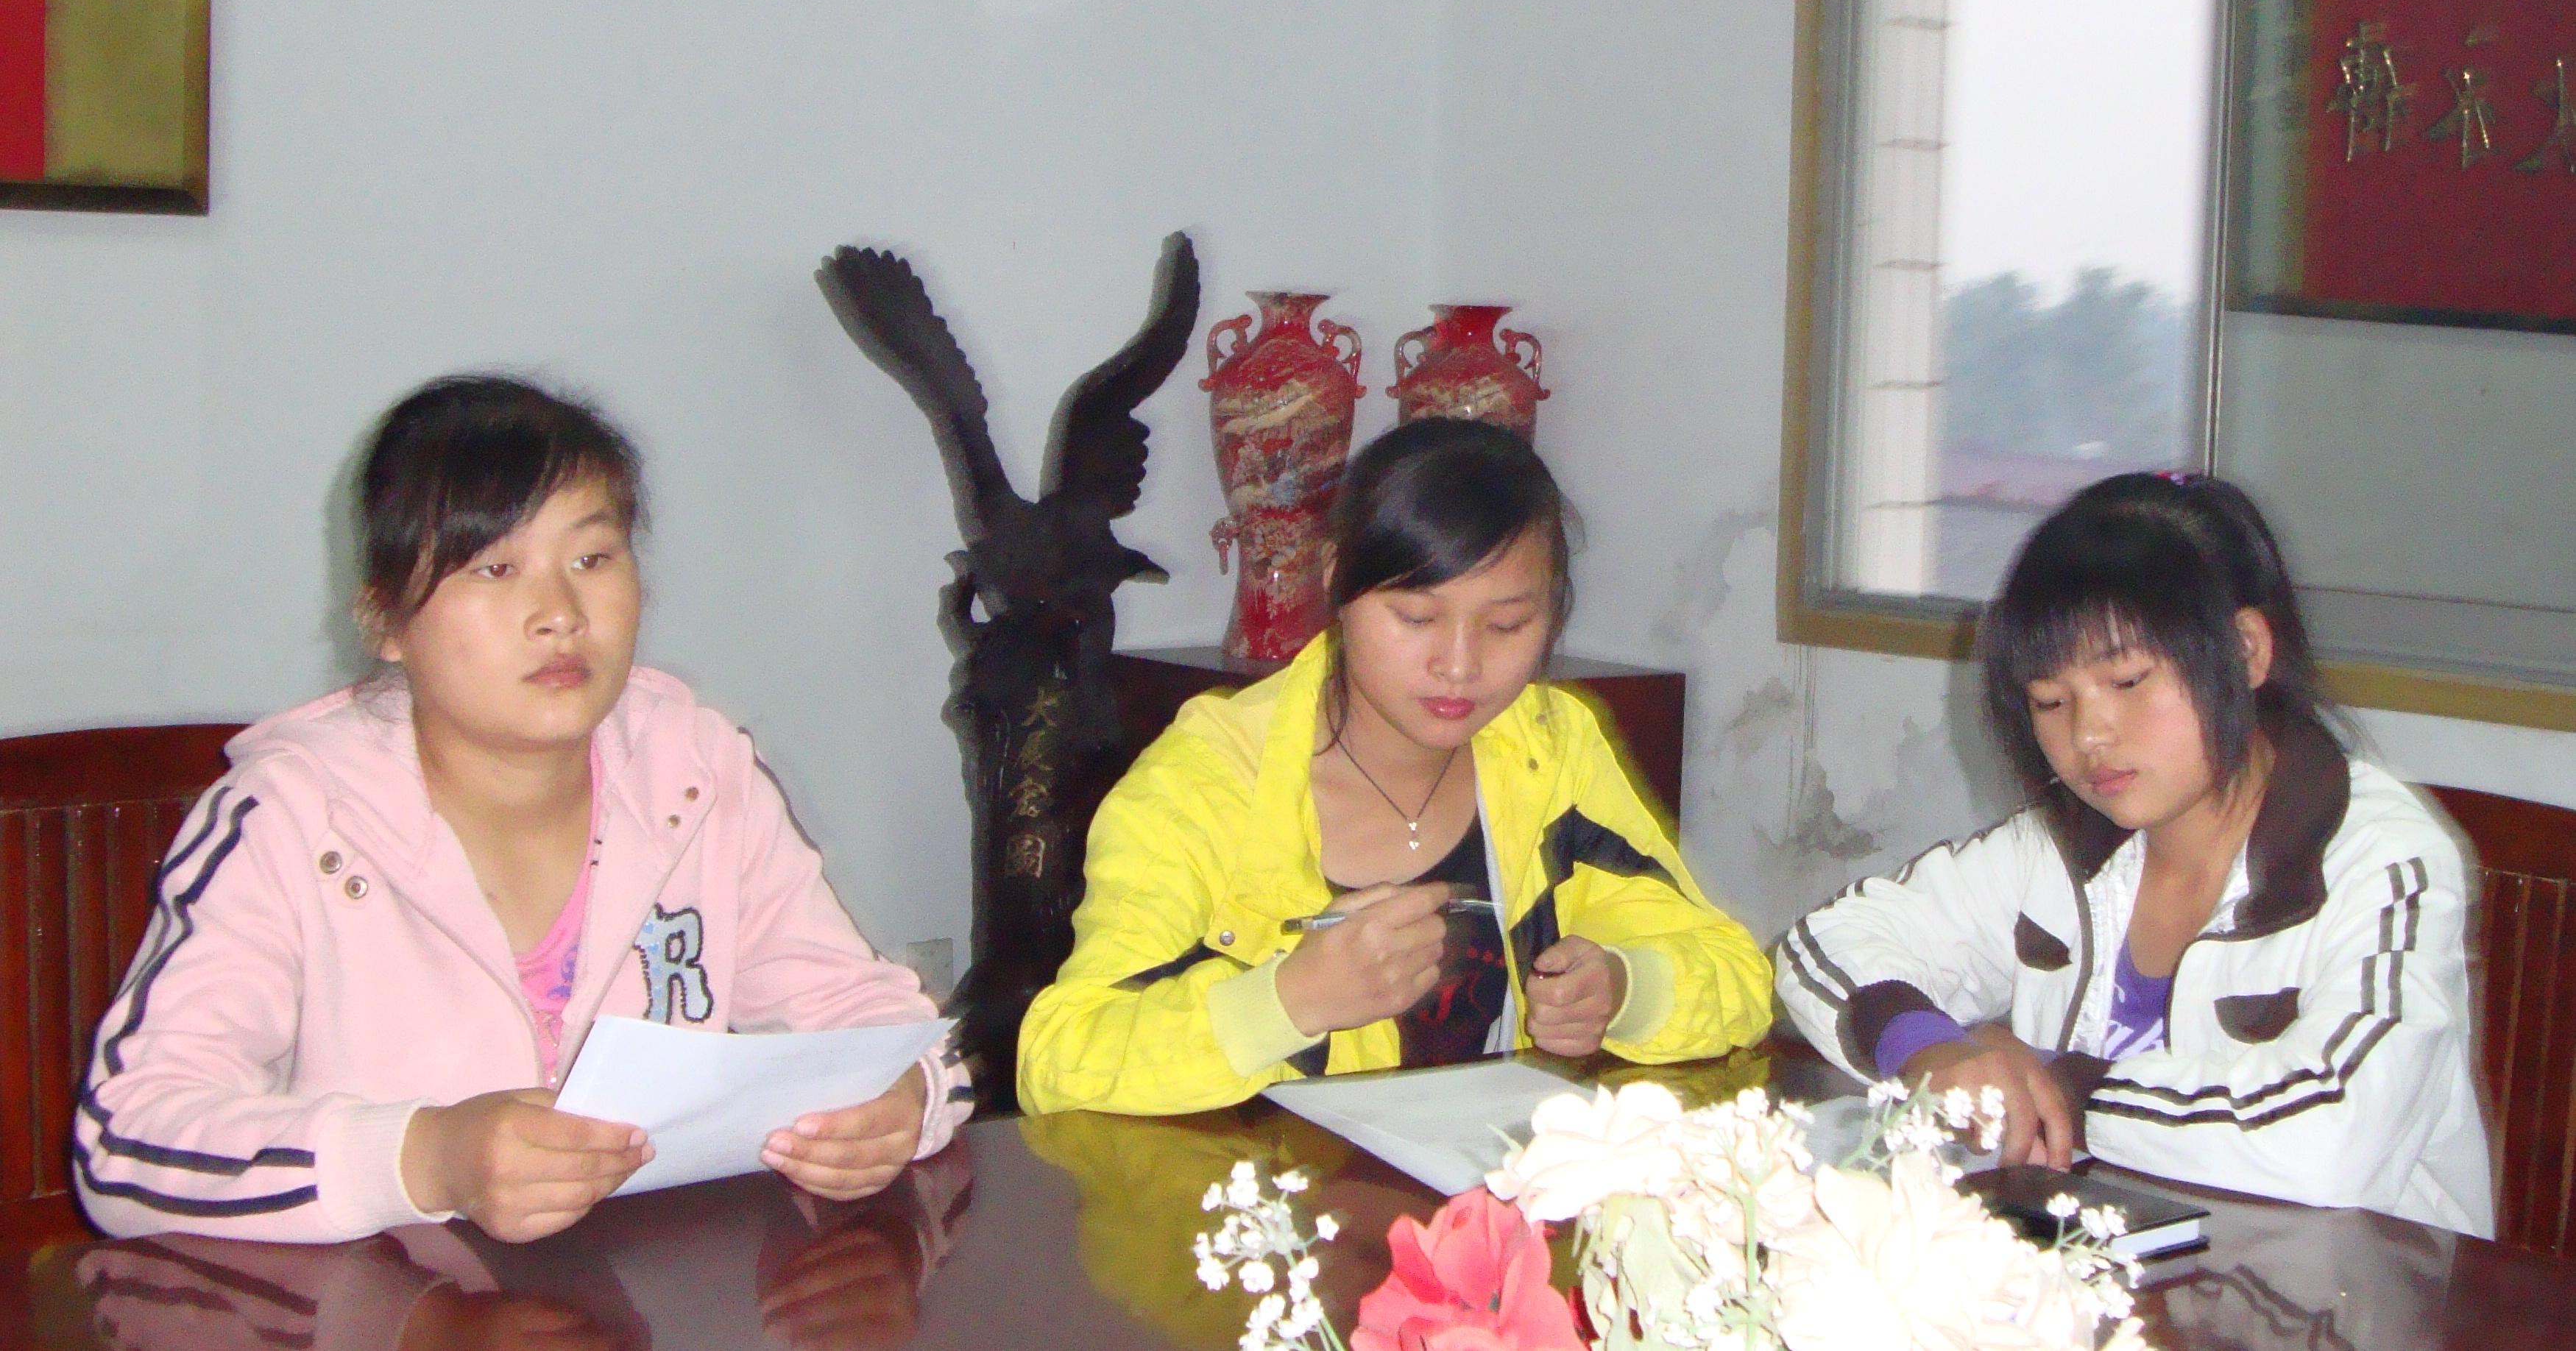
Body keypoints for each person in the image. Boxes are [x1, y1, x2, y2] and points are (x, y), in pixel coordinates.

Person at [75, 375, 970, 1244]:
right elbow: (125, 1138)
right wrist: (424, 1157)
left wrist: (902, 1099)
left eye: (592, 559)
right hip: (388, 1302)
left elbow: (878, 1021)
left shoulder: (694, 771)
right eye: (495, 567)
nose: (558, 613)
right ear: (384, 621)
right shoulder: (291, 818)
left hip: (650, 1292)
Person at [1774, 472, 2491, 1235]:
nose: (2088, 735)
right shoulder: (2065, 846)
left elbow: (2336, 1140)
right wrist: (1927, 1047)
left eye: (2125, 680)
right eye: (2050, 701)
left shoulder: (2382, 859)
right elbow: (1825, 945)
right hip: (2110, 1265)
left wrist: (2062, 1088)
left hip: (2359, 1282)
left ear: (2245, 650)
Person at [1017, 418, 1772, 1115]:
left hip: (1487, 1190)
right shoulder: (1207, 781)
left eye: (1508, 624)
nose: (1459, 665)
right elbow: (1057, 1062)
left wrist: (1625, 989)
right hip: (1270, 1199)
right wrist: (1289, 1000)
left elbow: (1735, 977)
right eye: (1416, 617)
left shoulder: (1549, 748)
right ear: (1336, 580)